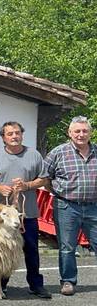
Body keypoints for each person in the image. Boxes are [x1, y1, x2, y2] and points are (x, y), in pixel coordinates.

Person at [0, 121, 51, 298]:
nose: (14, 136)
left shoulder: (33, 155)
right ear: (3, 137)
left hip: (27, 214)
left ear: (22, 135)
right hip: (1, 217)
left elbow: (44, 179)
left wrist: (27, 185)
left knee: (31, 249)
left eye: (17, 133)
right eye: (10, 134)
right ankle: (0, 284)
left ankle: (35, 285)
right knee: (2, 250)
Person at [43, 116, 97, 296]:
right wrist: (59, 193)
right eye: (77, 131)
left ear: (90, 133)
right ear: (70, 133)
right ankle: (68, 281)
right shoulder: (58, 153)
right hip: (67, 206)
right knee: (67, 247)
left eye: (84, 131)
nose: (81, 134)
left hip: (93, 206)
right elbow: (45, 177)